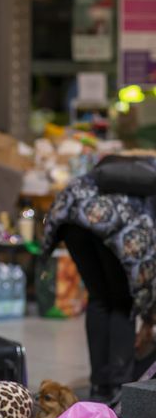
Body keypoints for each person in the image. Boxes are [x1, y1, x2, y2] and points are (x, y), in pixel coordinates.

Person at [43, 154, 156, 403]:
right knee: (122, 302)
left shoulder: (131, 166)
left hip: (71, 214)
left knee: (99, 298)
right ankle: (119, 388)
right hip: (113, 223)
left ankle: (99, 387)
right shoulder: (144, 179)